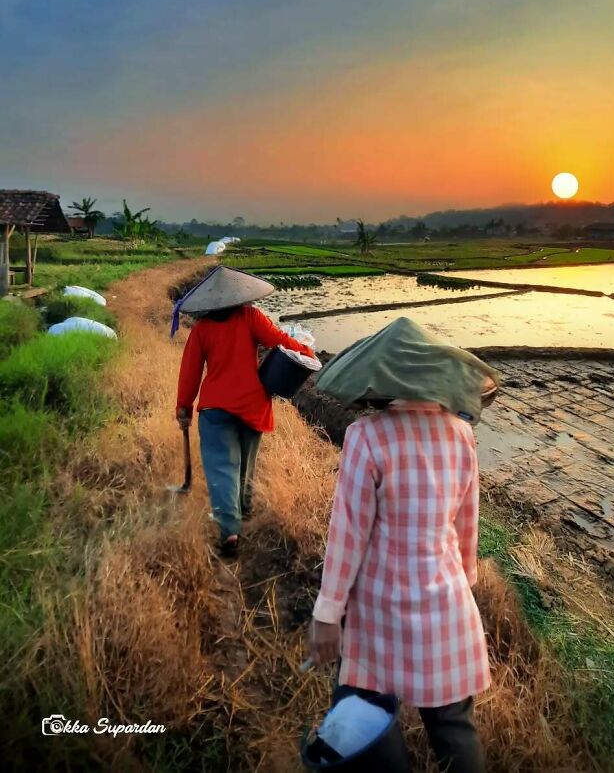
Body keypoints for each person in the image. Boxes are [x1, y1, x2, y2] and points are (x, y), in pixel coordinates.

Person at [307, 317, 499, 773]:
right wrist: (464, 584)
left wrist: (327, 611)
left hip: (379, 611)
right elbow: (466, 524)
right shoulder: (461, 435)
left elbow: (347, 533)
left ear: (378, 380)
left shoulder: (366, 436)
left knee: (360, 712)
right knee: (453, 725)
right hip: (446, 601)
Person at [174, 267, 315, 557]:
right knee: (246, 464)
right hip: (252, 405)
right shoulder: (250, 317)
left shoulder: (202, 329)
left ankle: (229, 529)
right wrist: (306, 351)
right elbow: (279, 341)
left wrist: (183, 407)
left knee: (222, 467)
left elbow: (189, 373)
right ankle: (244, 509)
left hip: (216, 409)